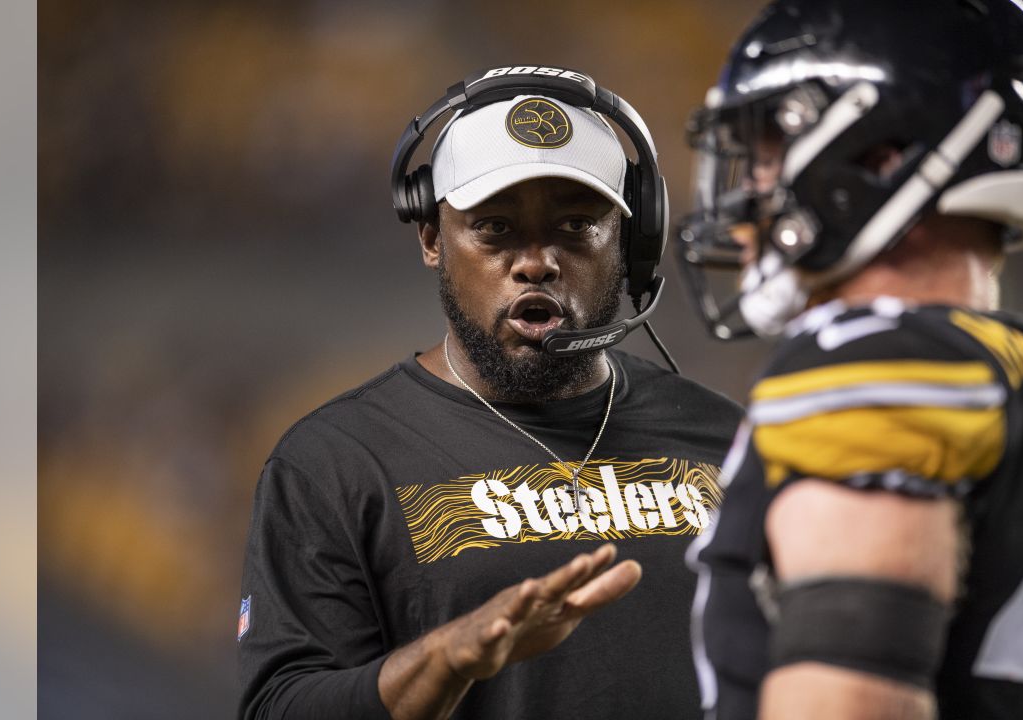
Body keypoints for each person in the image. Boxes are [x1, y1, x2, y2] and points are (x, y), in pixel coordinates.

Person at [238, 66, 744, 720]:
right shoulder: (334, 464)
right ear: (431, 238)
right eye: (496, 228)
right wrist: (443, 659)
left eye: (576, 225)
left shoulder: (725, 438)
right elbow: (281, 708)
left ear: (631, 242)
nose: (536, 262)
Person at [676, 2, 1023, 718]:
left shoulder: (875, 367)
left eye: (765, 154)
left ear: (879, 152)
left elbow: (851, 701)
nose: (749, 194)